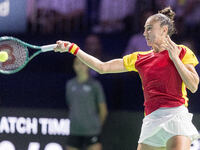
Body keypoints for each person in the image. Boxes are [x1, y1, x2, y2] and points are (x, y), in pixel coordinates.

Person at [54, 7, 199, 150]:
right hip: (151, 121)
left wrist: (175, 60)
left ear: (164, 30)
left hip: (176, 116)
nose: (144, 33)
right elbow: (102, 67)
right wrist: (73, 49)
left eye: (149, 28)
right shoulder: (139, 58)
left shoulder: (181, 52)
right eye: (144, 29)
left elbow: (193, 85)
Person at [65, 57, 108, 150]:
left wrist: (95, 127)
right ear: (73, 66)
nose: (80, 66)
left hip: (92, 132)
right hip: (74, 131)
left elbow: (103, 111)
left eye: (83, 63)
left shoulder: (95, 85)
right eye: (77, 63)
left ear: (88, 66)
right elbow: (70, 106)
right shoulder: (70, 85)